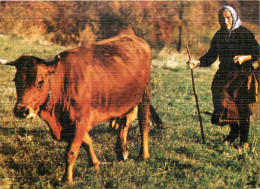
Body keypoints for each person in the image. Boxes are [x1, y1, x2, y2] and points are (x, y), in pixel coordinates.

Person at [187, 6, 259, 147]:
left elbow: (258, 52)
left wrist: (245, 58)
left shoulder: (245, 33)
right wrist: (198, 62)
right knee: (224, 105)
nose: (225, 21)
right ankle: (234, 132)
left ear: (234, 17)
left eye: (228, 17)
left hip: (243, 76)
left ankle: (244, 142)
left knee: (242, 108)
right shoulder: (219, 35)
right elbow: (212, 55)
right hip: (225, 76)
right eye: (222, 18)